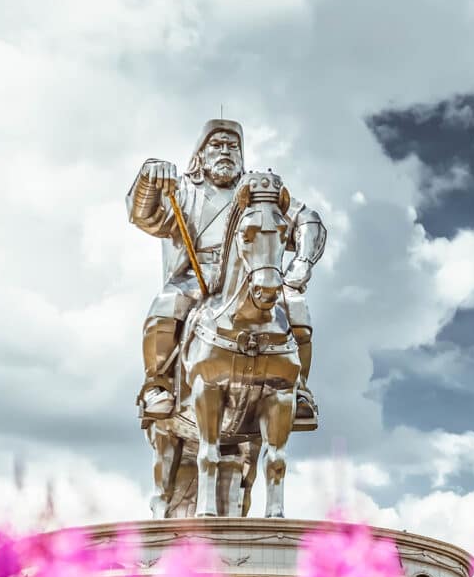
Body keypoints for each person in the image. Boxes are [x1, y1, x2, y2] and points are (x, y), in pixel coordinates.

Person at [126, 119, 325, 425]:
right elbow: (144, 216)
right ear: (201, 154)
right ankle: (157, 383)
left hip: (252, 273)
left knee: (295, 305)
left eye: (233, 146)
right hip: (197, 274)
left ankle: (297, 388)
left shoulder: (258, 193)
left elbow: (307, 220)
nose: (225, 152)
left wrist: (303, 261)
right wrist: (148, 177)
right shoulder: (182, 190)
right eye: (216, 145)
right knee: (168, 301)